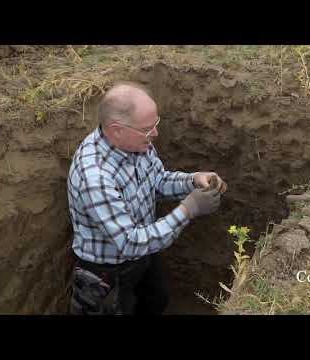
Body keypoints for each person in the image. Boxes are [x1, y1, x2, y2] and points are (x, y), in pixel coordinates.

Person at [67, 81, 227, 315]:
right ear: (116, 130)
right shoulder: (95, 176)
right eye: (147, 129)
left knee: (156, 300)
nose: (155, 133)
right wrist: (188, 209)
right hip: (108, 270)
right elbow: (130, 242)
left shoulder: (138, 143)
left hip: (144, 251)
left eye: (155, 124)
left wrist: (193, 180)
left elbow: (157, 181)